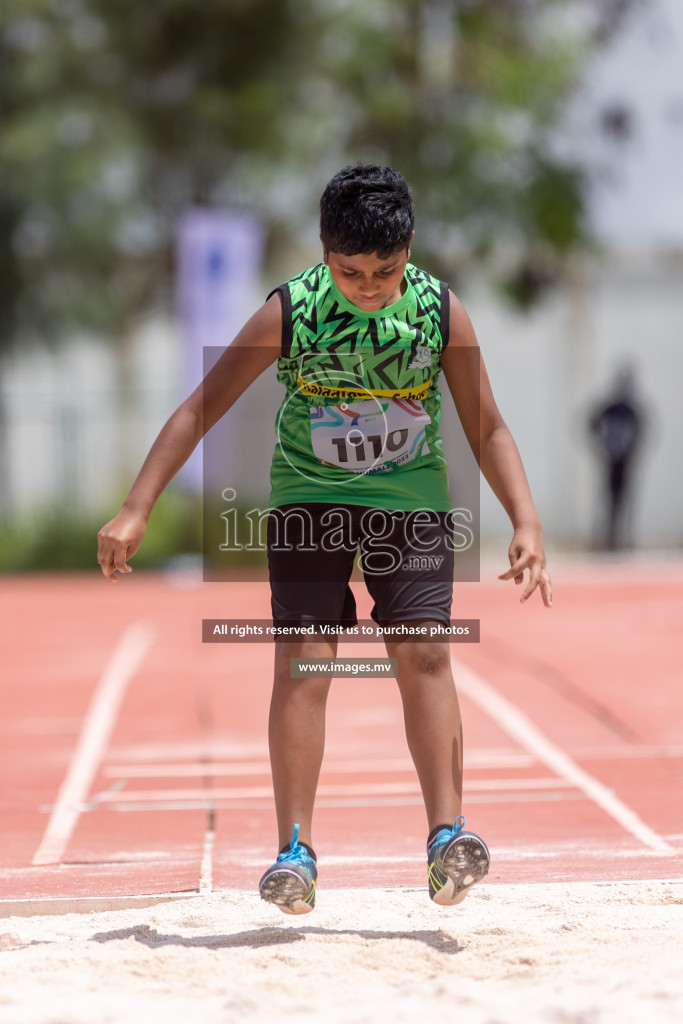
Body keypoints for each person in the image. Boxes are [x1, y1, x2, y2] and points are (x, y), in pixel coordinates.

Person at [98, 165, 552, 915]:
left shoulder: (440, 311)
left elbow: (487, 425)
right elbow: (198, 410)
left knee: (424, 649)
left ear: (408, 249)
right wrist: (136, 505)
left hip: (410, 502)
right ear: (323, 251)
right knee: (306, 658)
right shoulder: (291, 311)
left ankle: (446, 839)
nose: (369, 287)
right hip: (309, 501)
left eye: (385, 271)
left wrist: (525, 520)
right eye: (350, 272)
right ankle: (294, 851)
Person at [589, 365, 644, 551]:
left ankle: (622, 540)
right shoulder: (613, 408)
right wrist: (602, 447)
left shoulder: (629, 409)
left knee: (624, 500)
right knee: (608, 500)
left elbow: (640, 432)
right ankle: (608, 540)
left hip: (623, 461)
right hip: (612, 460)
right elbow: (592, 423)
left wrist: (631, 451)